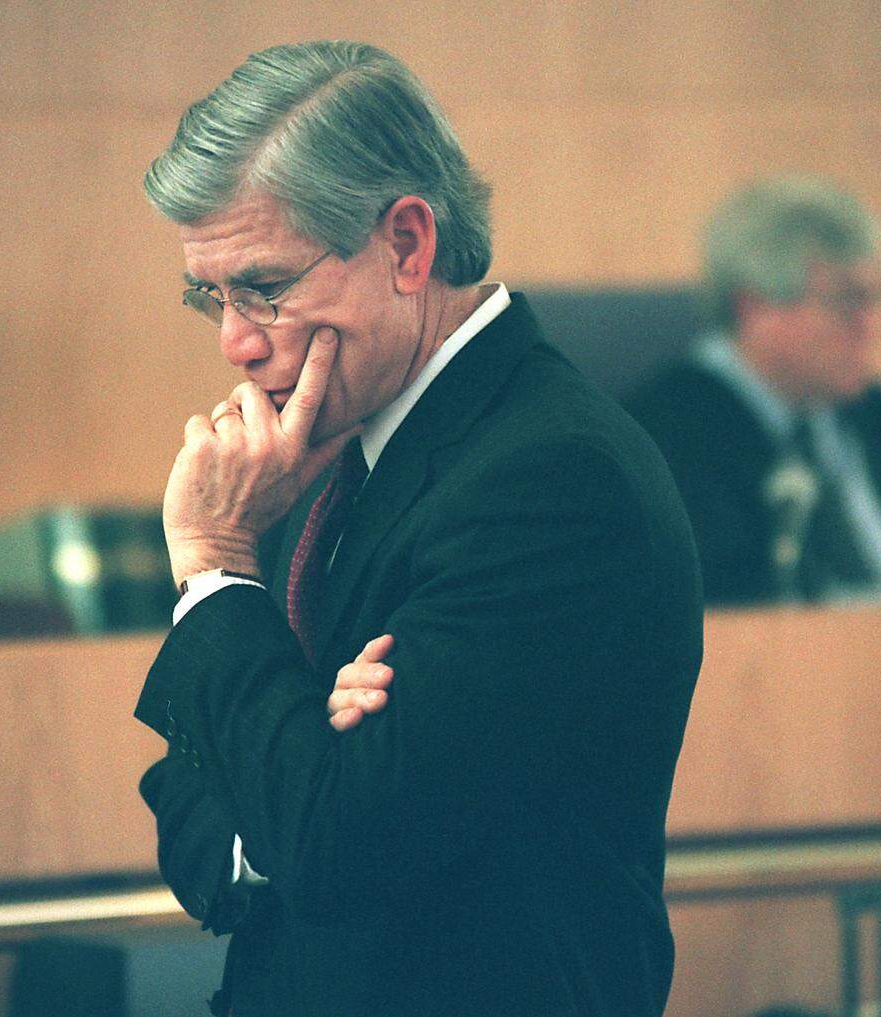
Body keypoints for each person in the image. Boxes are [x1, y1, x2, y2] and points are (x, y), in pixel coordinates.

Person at [132, 41, 702, 1017]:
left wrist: (217, 570)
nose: (235, 340)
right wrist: (300, 754)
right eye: (211, 298)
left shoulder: (550, 476)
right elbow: (185, 789)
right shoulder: (311, 459)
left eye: (265, 288)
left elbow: (335, 845)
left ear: (406, 244)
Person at [626, 175, 881, 606]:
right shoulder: (663, 439)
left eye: (876, 299)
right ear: (754, 307)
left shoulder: (879, 415)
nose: (872, 326)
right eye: (847, 301)